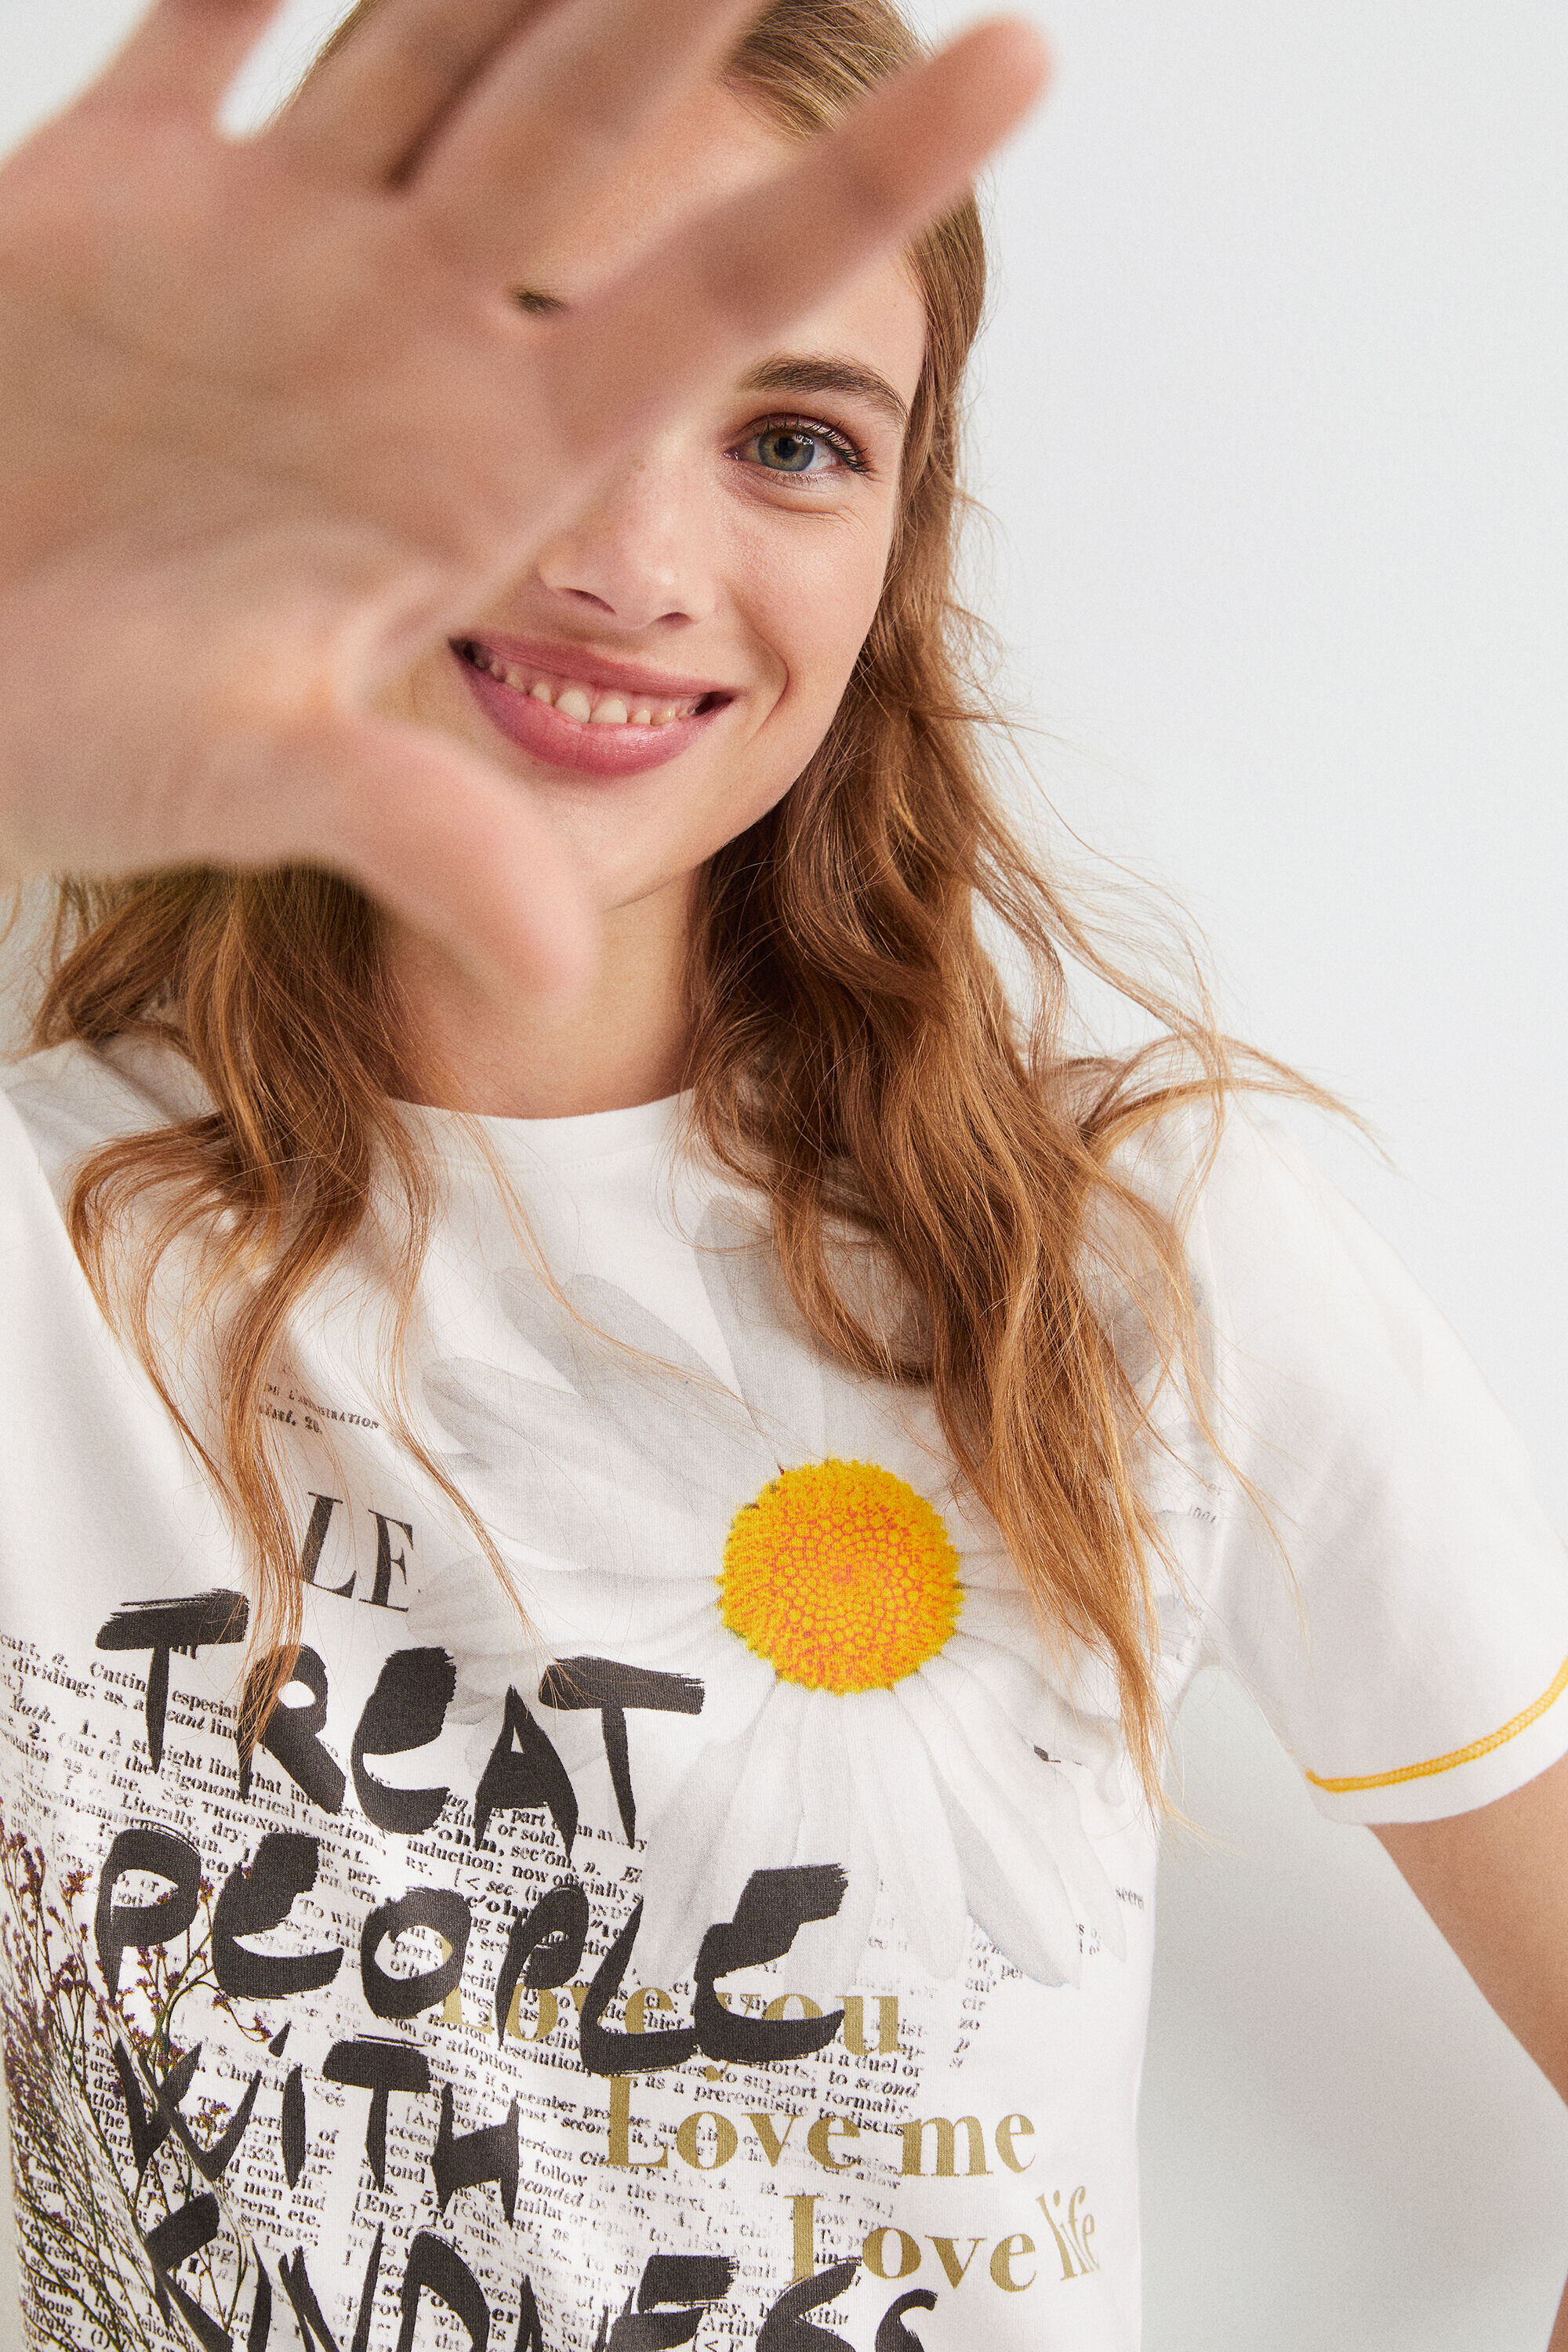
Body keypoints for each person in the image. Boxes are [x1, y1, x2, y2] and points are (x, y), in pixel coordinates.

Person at [0, 1, 1563, 2346]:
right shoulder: (37, 1240)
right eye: (523, 369)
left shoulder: (1142, 1249)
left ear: (894, 556)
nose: (632, 558)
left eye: (792, 439)